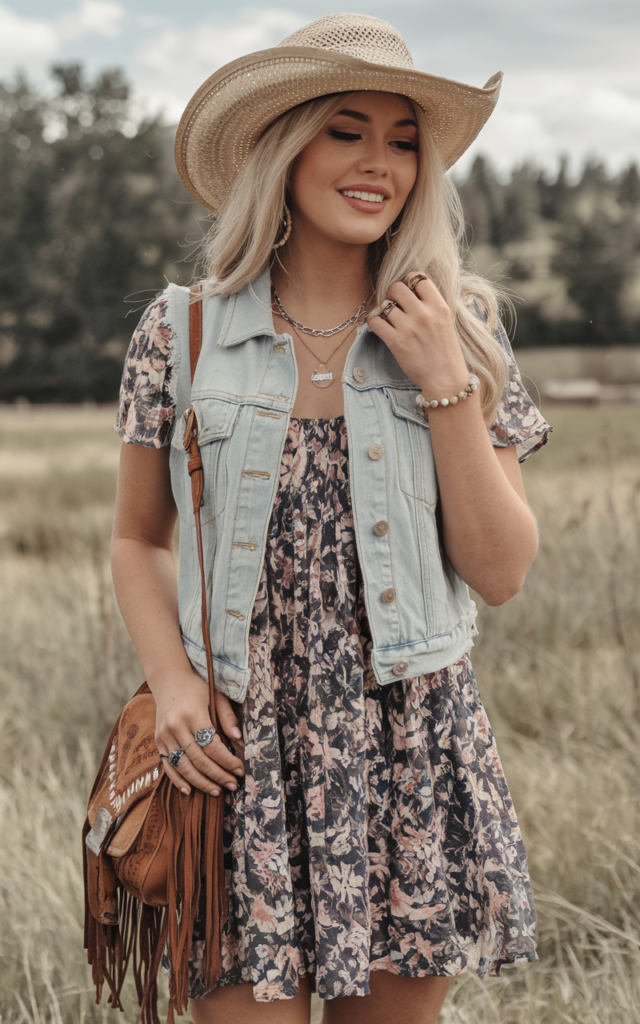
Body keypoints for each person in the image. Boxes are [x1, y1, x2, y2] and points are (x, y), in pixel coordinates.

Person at [111, 14, 550, 1024]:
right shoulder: (178, 331)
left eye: (403, 141)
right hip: (232, 750)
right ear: (284, 147)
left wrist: (446, 383)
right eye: (346, 129)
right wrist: (173, 687)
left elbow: (502, 570)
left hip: (406, 749)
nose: (380, 163)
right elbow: (138, 535)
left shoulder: (462, 330)